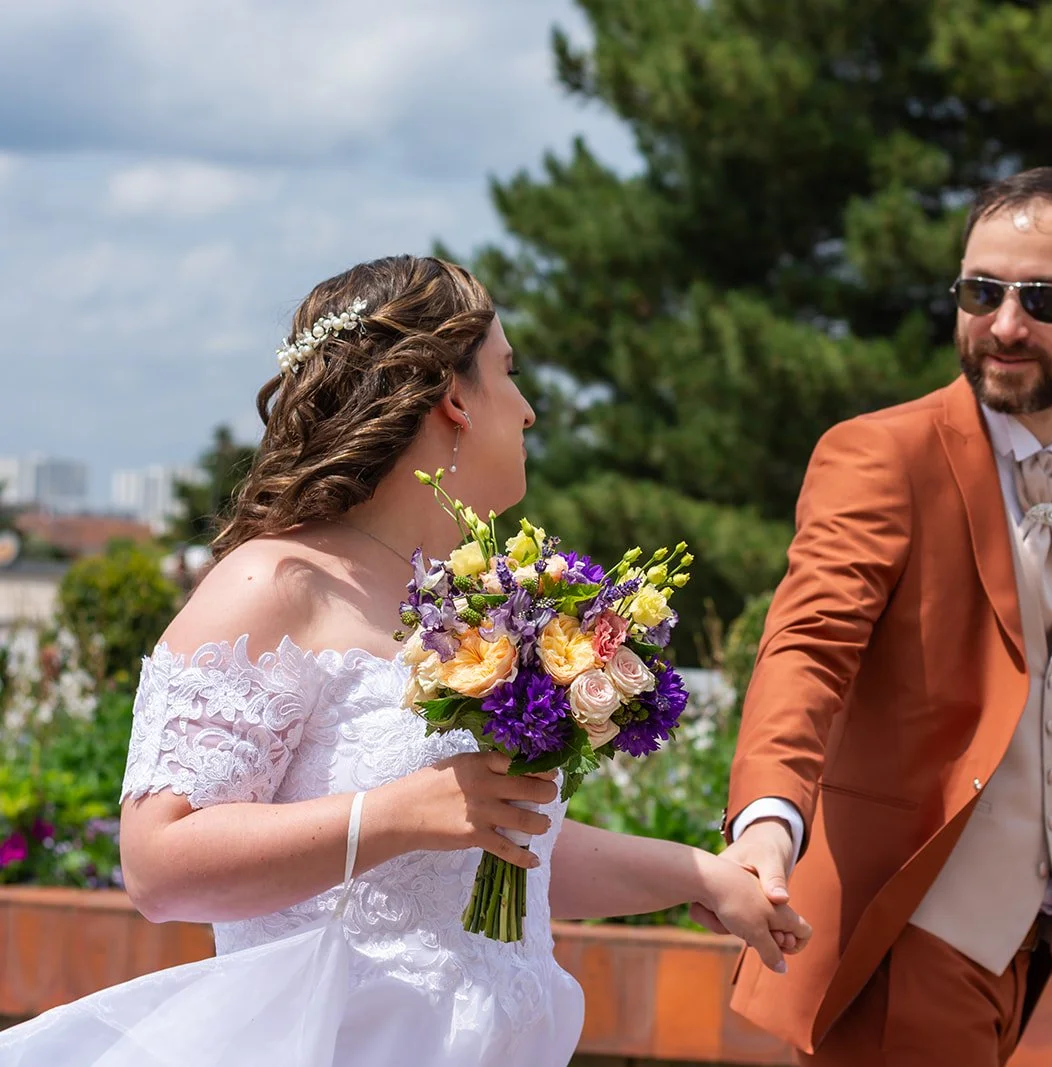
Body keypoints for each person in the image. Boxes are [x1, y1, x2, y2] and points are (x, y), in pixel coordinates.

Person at [0, 255, 809, 1067]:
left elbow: (488, 844)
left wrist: (702, 874)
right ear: (454, 397)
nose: (527, 411)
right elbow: (156, 864)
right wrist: (392, 814)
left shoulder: (469, 599)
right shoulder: (273, 582)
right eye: (509, 373)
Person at [703, 168, 1052, 1066]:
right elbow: (807, 646)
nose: (1006, 325)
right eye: (983, 291)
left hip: (1016, 964)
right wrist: (768, 820)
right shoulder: (883, 453)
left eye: (1045, 299)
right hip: (897, 943)